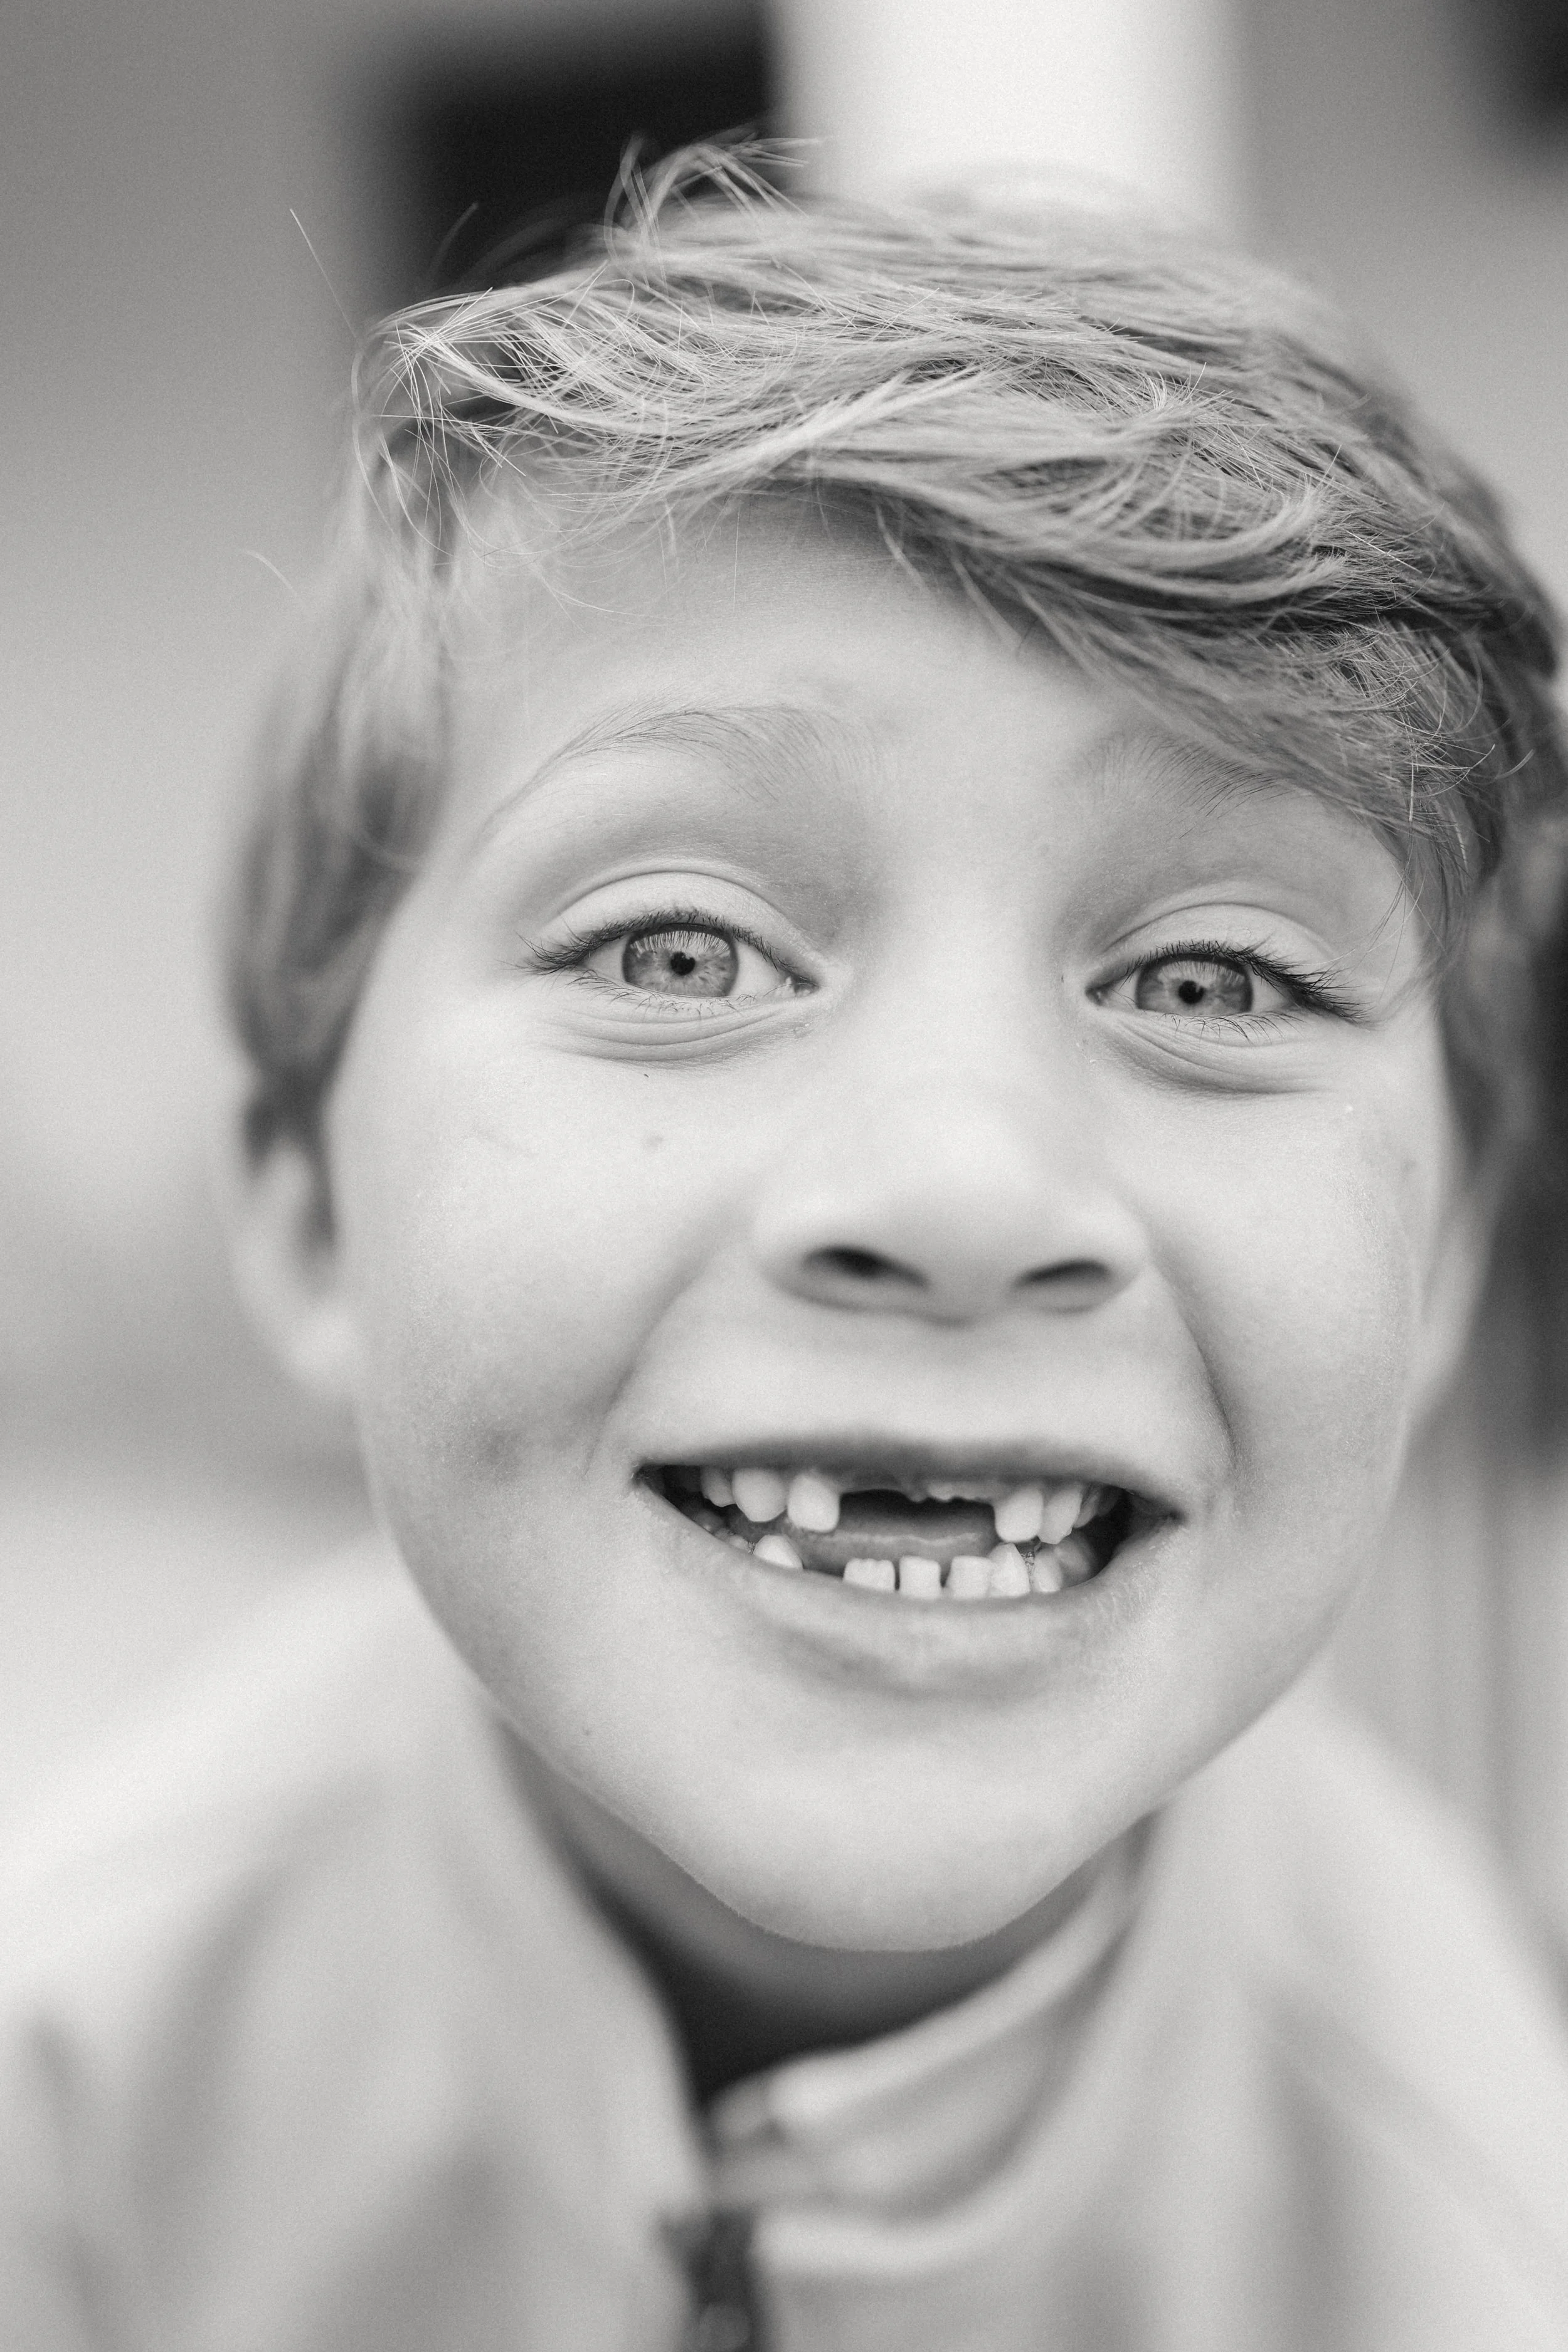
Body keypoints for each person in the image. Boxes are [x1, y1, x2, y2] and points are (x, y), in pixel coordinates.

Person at [5, 149, 1568, 2351]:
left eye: (1212, 982)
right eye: (674, 943)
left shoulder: (1476, 2227)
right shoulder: (70, 2107)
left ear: (1451, 1255)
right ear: (304, 1210)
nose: (958, 1186)